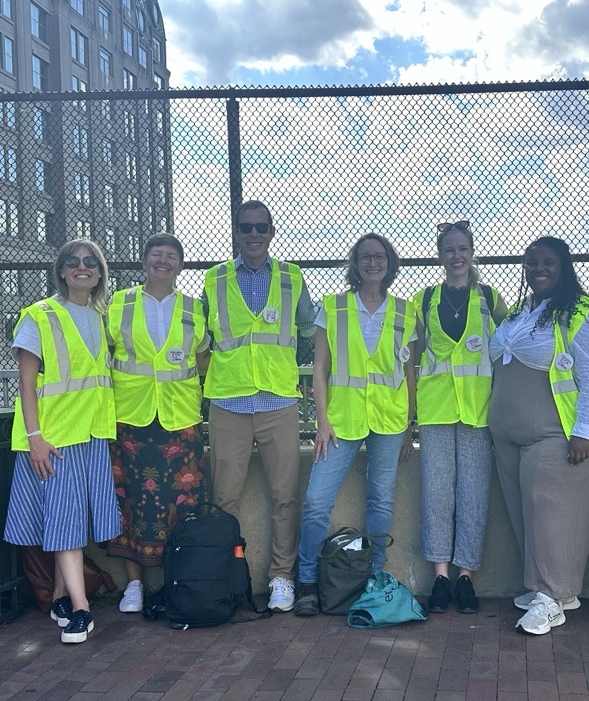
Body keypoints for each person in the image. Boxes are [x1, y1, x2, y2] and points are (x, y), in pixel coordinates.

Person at [489, 236, 589, 636]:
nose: (538, 269)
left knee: (551, 512)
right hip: (508, 434)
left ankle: (551, 596)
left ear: (565, 267)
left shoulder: (582, 314)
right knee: (525, 512)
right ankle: (548, 588)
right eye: (531, 262)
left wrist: (584, 432)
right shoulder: (522, 310)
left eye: (548, 262)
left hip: (555, 432)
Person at [294, 233, 417, 616]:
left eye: (380, 256)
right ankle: (308, 581)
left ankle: (372, 578)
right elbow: (320, 369)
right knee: (316, 501)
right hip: (340, 421)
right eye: (366, 257)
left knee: (381, 499)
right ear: (355, 263)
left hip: (389, 420)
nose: (373, 262)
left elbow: (410, 372)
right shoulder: (331, 307)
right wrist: (322, 421)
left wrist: (409, 426)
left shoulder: (405, 311)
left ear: (390, 262)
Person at [203, 200, 316, 612]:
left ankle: (281, 577)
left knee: (284, 496)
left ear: (272, 232)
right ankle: (228, 578)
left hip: (278, 401)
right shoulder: (214, 279)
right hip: (229, 403)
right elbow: (202, 336)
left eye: (261, 228)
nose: (253, 235)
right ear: (236, 231)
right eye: (246, 228)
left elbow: (309, 324)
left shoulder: (292, 277)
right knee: (224, 498)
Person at [3, 239, 118, 644]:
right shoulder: (39, 315)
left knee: (65, 520)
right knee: (66, 524)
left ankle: (60, 597)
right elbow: (26, 384)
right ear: (62, 270)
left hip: (91, 434)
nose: (82, 268)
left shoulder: (102, 317)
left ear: (100, 271)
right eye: (74, 262)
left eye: (90, 262)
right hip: (54, 438)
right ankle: (82, 611)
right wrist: (35, 438)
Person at [105, 233, 211, 613]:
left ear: (180, 265)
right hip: (129, 416)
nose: (163, 262)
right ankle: (133, 586)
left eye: (171, 256)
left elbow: (202, 360)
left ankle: (176, 581)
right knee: (128, 500)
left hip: (179, 417)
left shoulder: (194, 308)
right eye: (156, 255)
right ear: (145, 261)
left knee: (182, 503)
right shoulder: (119, 303)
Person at [414, 220, 507, 614]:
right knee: (436, 493)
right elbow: (414, 355)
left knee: (473, 495)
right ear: (440, 255)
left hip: (478, 410)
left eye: (463, 249)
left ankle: (466, 576)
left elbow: (507, 348)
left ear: (472, 253)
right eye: (449, 250)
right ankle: (440, 575)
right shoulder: (424, 299)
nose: (457, 256)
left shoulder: (489, 297)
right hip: (436, 410)